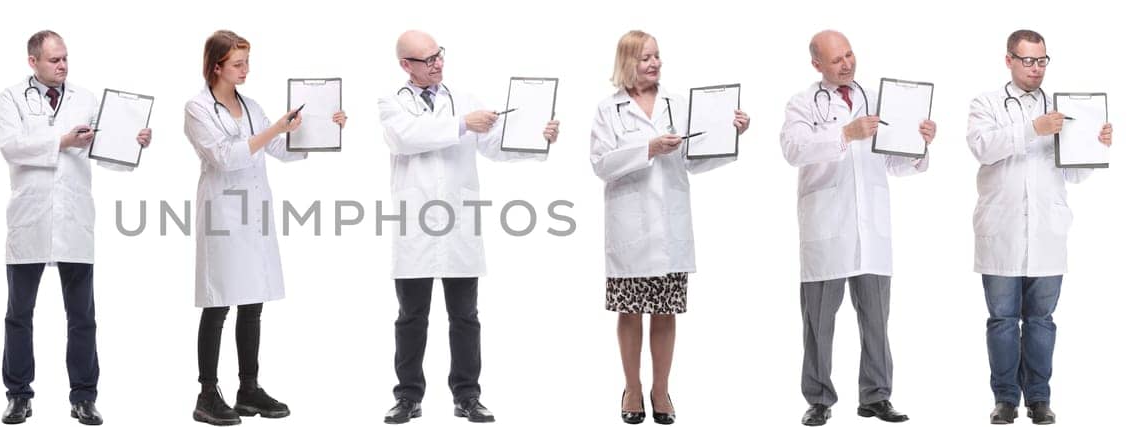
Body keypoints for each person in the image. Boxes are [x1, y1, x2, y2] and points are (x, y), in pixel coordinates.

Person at [377, 30, 559, 425]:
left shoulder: (465, 100)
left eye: (439, 55)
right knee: (411, 316)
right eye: (427, 59)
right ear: (406, 65)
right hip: (416, 225)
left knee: (465, 316)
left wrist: (537, 139)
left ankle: (467, 396)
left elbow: (495, 145)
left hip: (459, 224)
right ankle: (408, 397)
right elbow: (406, 138)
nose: (438, 63)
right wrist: (462, 124)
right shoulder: (392, 104)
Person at [181, 29, 347, 426]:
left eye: (247, 62)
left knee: (252, 303)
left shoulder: (251, 105)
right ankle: (207, 393)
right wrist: (274, 130)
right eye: (237, 64)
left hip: (253, 213)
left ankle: (248, 389)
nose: (245, 70)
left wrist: (327, 128)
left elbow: (279, 150)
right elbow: (225, 157)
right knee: (218, 301)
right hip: (222, 214)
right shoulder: (197, 108)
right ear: (216, 66)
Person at [588, 30, 750, 426]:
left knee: (665, 312)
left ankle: (661, 390)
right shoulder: (609, 110)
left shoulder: (679, 105)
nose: (654, 63)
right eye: (645, 58)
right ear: (627, 62)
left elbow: (695, 159)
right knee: (629, 312)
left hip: (670, 226)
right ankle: (632, 388)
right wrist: (648, 149)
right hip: (630, 228)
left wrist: (732, 133)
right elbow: (600, 165)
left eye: (657, 56)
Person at [0, 29, 153, 426]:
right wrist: (59, 142)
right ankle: (18, 395)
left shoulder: (86, 99)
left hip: (74, 220)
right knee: (19, 314)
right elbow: (9, 145)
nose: (62, 66)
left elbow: (107, 153)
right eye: (54, 60)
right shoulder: (11, 98)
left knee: (82, 316)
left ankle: (84, 397)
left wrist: (133, 144)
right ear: (33, 61)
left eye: (65, 58)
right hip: (29, 219)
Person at [780, 30, 936, 426]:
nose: (847, 63)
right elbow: (793, 150)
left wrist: (920, 145)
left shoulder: (878, 101)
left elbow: (896, 163)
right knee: (818, 323)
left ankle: (876, 397)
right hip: (826, 229)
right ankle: (818, 399)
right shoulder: (802, 103)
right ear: (817, 65)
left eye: (849, 54)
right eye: (836, 60)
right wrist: (846, 134)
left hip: (871, 229)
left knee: (876, 320)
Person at [965, 29, 1114, 426]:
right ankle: (1005, 400)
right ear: (1009, 60)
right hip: (1001, 231)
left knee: (1041, 321)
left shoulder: (1065, 108)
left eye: (1042, 61)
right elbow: (983, 147)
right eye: (1028, 60)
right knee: (1001, 320)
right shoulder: (987, 104)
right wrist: (1033, 128)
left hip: (1048, 232)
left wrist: (1095, 144)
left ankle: (1040, 399)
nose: (1035, 69)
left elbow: (1077, 174)